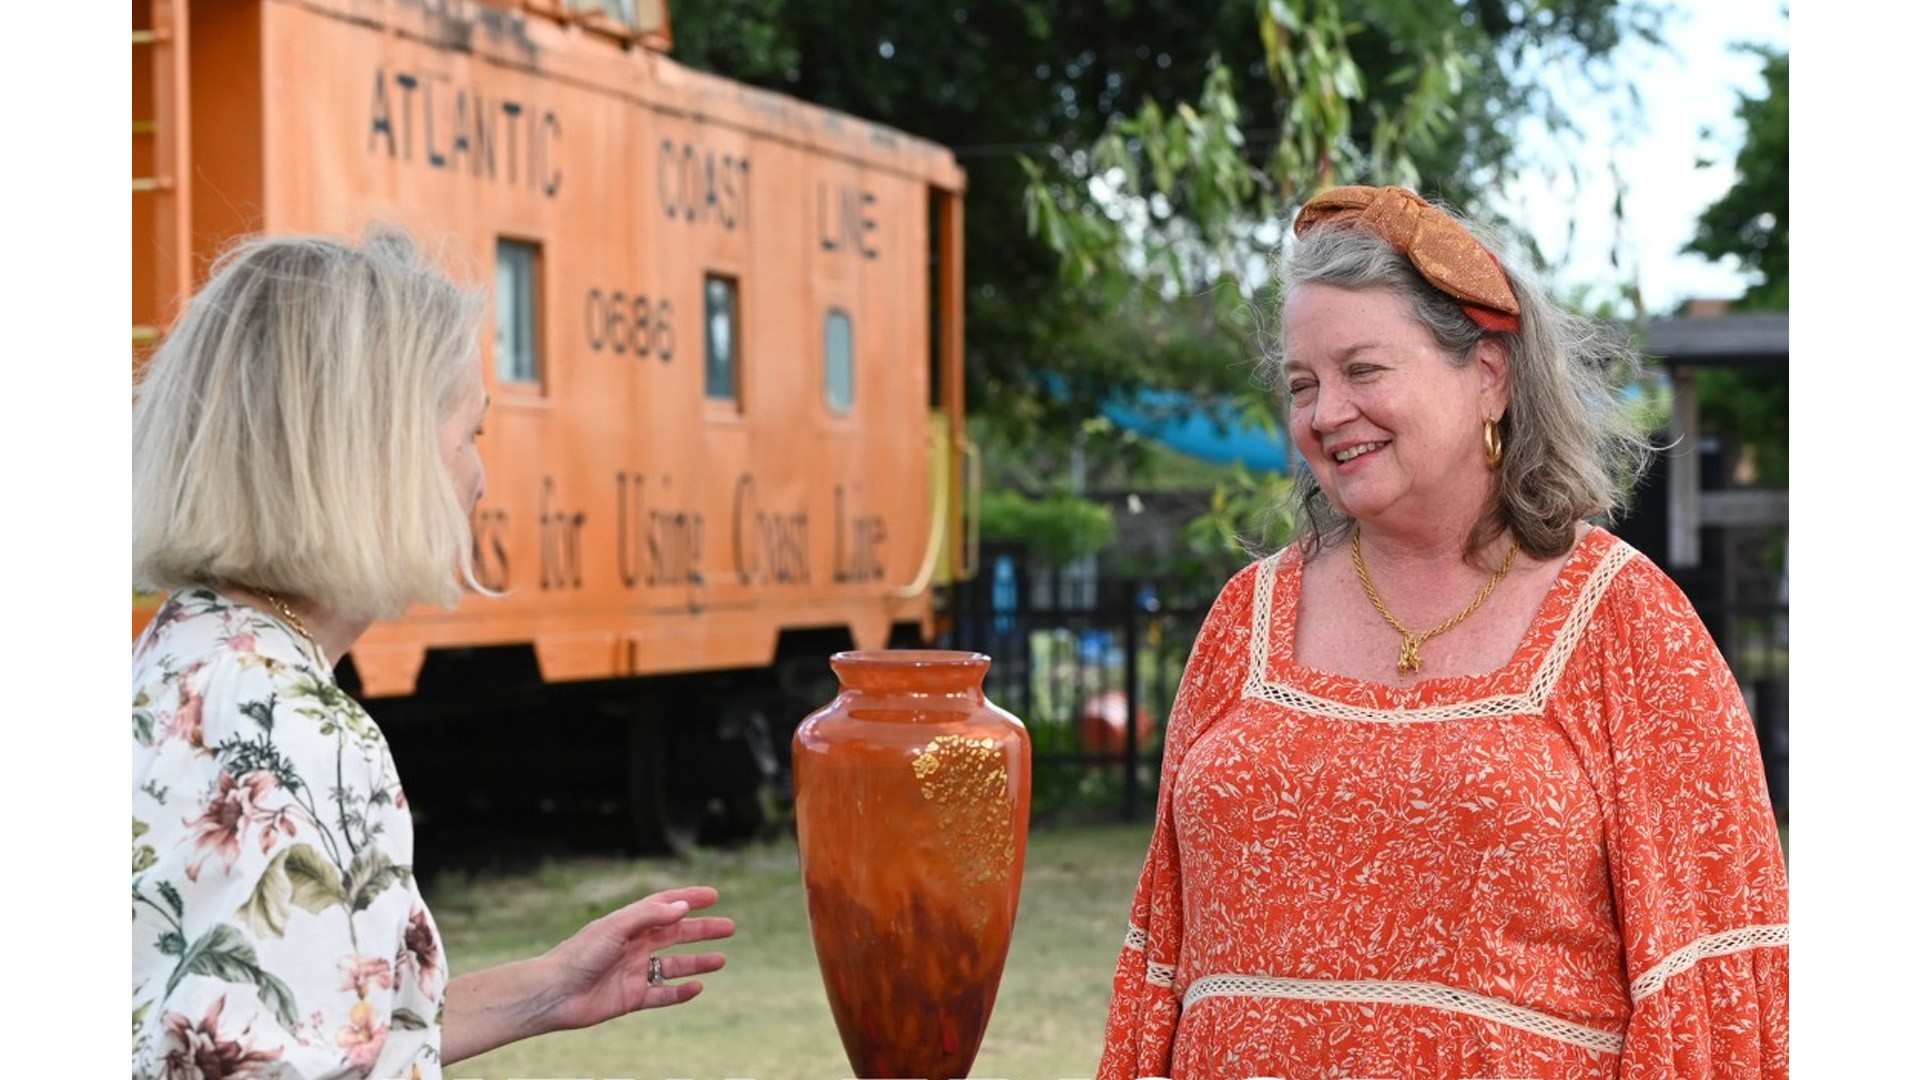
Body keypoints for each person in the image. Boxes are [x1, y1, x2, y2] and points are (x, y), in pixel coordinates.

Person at [1095, 186, 1787, 1078]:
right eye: (1302, 384)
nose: (1325, 413)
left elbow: (1712, 975)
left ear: (1489, 374)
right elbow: (1161, 956)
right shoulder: (1246, 620)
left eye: (1363, 370)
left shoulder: (1626, 623)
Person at [131, 230, 736, 1077]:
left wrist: (544, 991)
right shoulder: (304, 733)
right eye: (471, 432)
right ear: (376, 451)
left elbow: (275, 1026)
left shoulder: (183, 657)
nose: (480, 479)